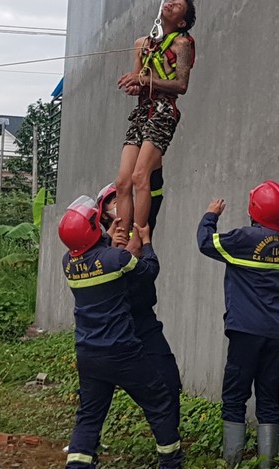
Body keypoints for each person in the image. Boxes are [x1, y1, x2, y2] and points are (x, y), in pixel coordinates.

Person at [58, 195, 183, 469]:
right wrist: (147, 242)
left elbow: (94, 254)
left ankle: (77, 465)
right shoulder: (116, 258)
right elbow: (148, 271)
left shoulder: (68, 262)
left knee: (89, 416)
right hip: (123, 352)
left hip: (88, 356)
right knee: (160, 401)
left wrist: (109, 240)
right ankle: (171, 463)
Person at [196, 181, 279, 468]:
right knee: (269, 397)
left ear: (254, 209)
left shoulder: (243, 239)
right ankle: (268, 463)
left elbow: (206, 242)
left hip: (245, 332)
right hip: (277, 332)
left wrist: (210, 215)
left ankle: (232, 461)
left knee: (235, 395)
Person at [96, 170, 182, 432]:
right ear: (103, 214)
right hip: (111, 327)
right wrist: (111, 248)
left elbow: (152, 196)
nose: (121, 204)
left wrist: (152, 166)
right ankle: (87, 447)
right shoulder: (96, 245)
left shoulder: (141, 229)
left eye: (122, 198)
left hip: (143, 321)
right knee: (96, 397)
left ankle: (169, 443)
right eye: (113, 201)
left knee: (168, 379)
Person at [115, 0, 196, 256]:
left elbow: (181, 85)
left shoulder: (181, 44)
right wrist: (133, 84)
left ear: (182, 22)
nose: (171, 4)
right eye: (171, 1)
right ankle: (122, 236)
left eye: (178, 6)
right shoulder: (141, 44)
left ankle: (139, 238)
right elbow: (139, 81)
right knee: (122, 182)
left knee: (141, 176)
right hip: (143, 111)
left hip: (163, 111)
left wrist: (145, 81)